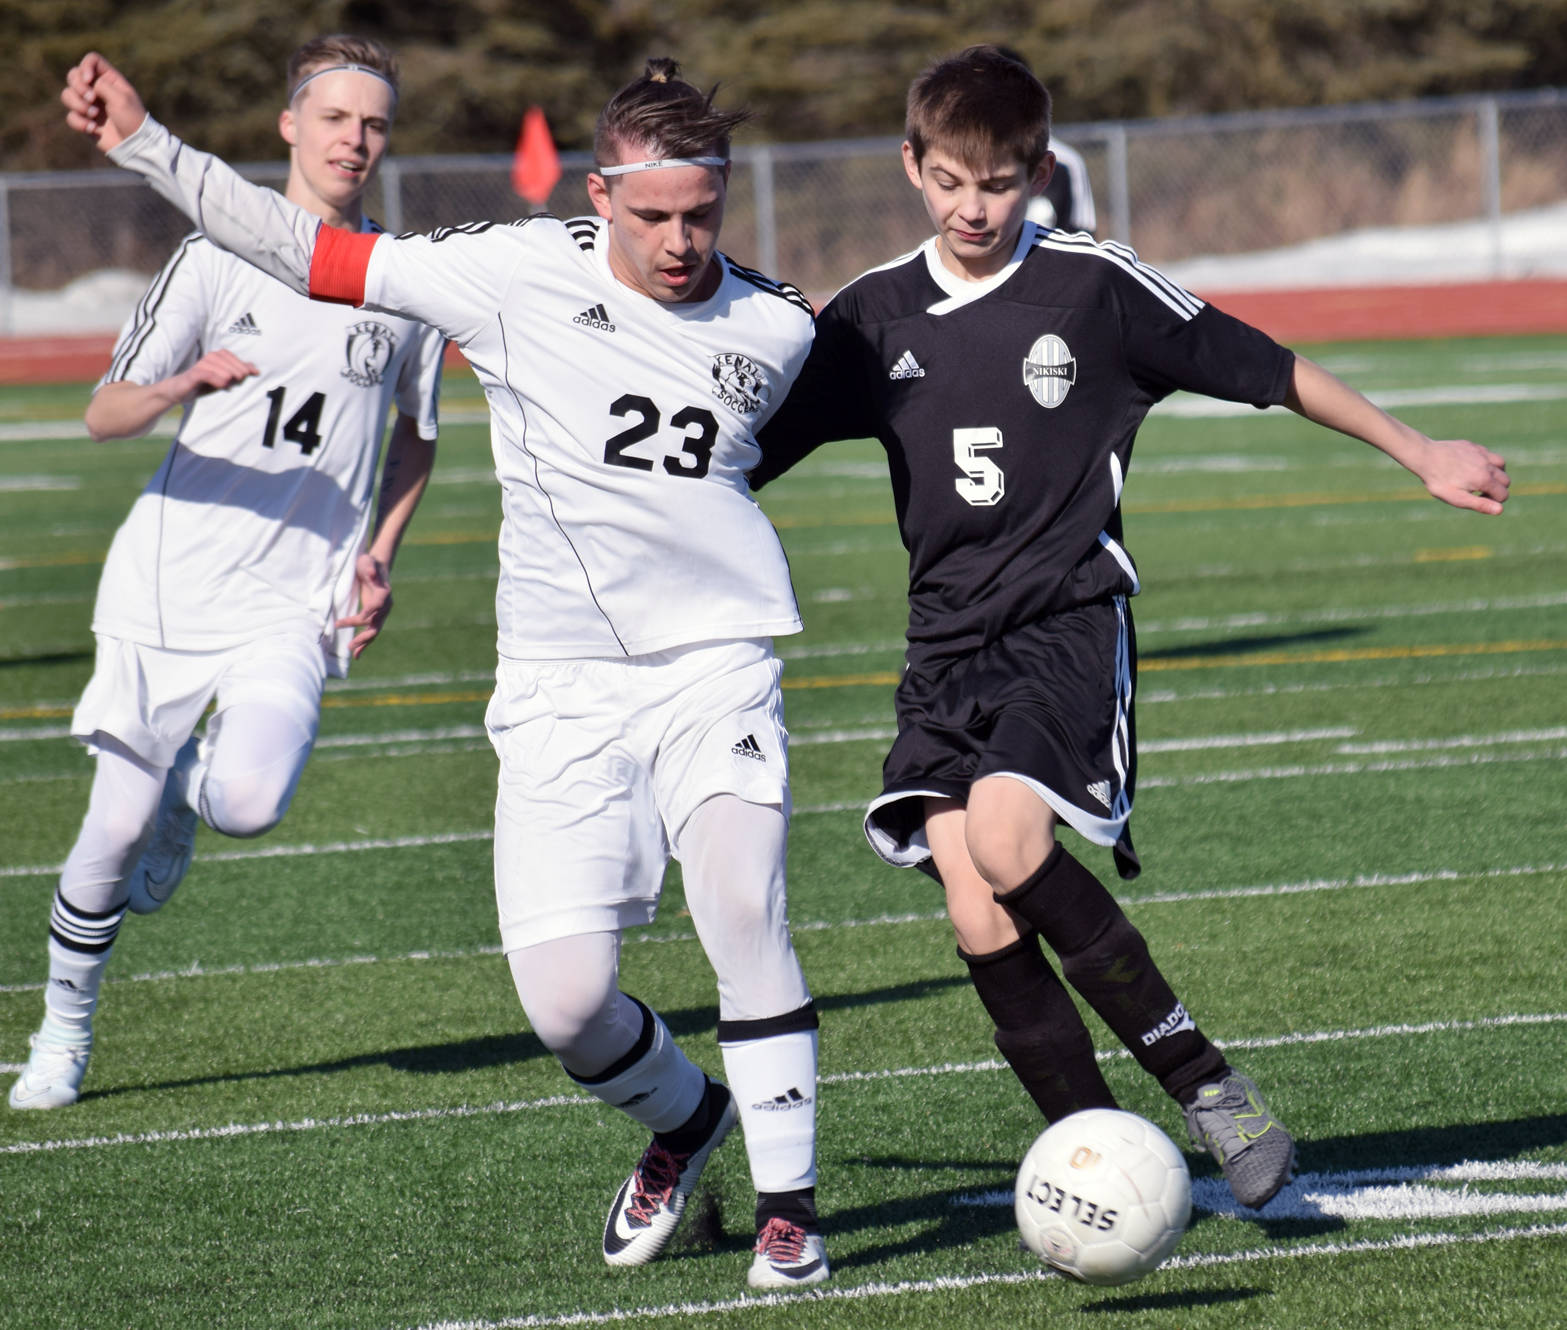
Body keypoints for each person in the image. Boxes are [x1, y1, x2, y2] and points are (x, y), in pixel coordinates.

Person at [60, 52, 830, 1288]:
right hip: (557, 687)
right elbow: (309, 254)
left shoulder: (780, 324)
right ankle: (686, 1122)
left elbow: (801, 429)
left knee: (743, 909)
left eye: (702, 214)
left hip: (714, 665)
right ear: (597, 198)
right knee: (568, 1005)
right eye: (653, 217)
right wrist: (149, 143)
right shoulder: (511, 269)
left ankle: (793, 1217)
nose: (681, 241)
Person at [751, 45, 1509, 1211]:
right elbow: (746, 452)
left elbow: (1266, 367)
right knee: (968, 892)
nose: (972, 207)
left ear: (1038, 171)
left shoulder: (1095, 286)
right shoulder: (870, 314)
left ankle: (1206, 1083)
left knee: (1004, 839)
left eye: (997, 183)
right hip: (941, 648)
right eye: (950, 180)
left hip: (1062, 624)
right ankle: (1095, 1150)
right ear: (910, 167)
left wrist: (1421, 451)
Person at [10, 35, 444, 1116]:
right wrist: (182, 383)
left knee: (245, 802)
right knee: (107, 828)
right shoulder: (214, 254)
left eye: (375, 123)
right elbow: (103, 410)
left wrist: (380, 554)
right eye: (335, 117)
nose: (355, 139)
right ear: (290, 127)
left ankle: (186, 804)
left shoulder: (403, 284)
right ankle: (63, 1028)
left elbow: (416, 439)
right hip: (170, 582)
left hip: (297, 599)